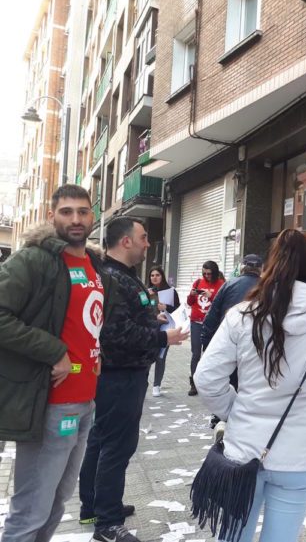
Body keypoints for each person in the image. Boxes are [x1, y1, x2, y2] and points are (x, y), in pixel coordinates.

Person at [194, 229, 306, 542]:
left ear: (272, 265)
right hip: (299, 455)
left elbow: (206, 378)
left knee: (234, 536)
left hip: (243, 450)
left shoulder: (241, 316)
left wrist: (235, 410)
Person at [0, 185, 116, 542]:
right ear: (52, 216)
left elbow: (87, 323)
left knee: (57, 503)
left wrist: (96, 354)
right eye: (66, 212)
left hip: (85, 401)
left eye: (82, 211)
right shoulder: (34, 260)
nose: (75, 219)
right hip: (50, 402)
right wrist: (53, 351)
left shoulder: (95, 265)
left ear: (93, 216)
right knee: (31, 510)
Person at [78, 217, 189, 542]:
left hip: (122, 374)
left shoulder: (123, 276)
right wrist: (162, 337)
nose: (147, 244)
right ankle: (107, 524)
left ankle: (95, 507)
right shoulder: (113, 278)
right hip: (120, 375)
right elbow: (114, 333)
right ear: (125, 241)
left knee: (101, 441)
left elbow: (126, 320)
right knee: (116, 447)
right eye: (143, 237)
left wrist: (152, 318)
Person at [200, 253, 263, 436]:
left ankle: (222, 418)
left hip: (229, 342)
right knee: (250, 384)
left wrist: (207, 344)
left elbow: (212, 317)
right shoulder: (268, 287)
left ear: (242, 267)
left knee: (229, 380)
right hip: (257, 345)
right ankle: (248, 421)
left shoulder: (229, 284)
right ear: (261, 269)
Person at [186, 260, 225, 395]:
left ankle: (209, 383)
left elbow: (223, 304)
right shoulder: (198, 283)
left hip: (212, 325)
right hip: (196, 323)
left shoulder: (221, 284)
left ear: (215, 273)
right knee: (196, 353)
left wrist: (211, 296)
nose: (207, 276)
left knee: (210, 354)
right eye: (204, 274)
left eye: (209, 274)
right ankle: (194, 383)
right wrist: (192, 295)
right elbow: (190, 302)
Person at [146, 266, 180, 397]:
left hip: (166, 326)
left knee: (161, 356)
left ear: (162, 276)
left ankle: (157, 385)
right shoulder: (145, 291)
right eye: (152, 275)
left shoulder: (171, 291)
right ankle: (143, 383)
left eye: (157, 275)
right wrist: (146, 296)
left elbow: (178, 309)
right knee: (148, 356)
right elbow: (139, 308)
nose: (154, 278)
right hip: (150, 327)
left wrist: (167, 307)